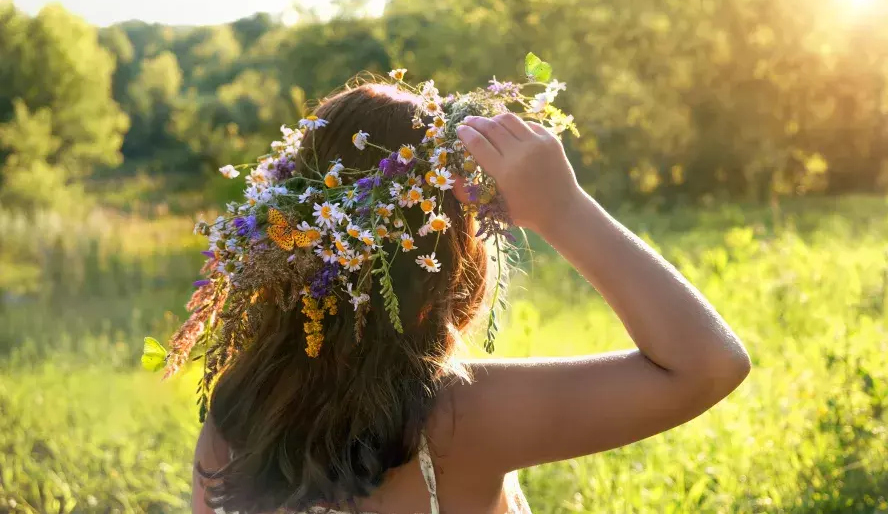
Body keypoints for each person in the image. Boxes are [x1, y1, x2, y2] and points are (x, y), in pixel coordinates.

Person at [192, 83, 751, 513]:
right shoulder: (461, 420)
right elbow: (710, 364)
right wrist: (563, 209)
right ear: (449, 251)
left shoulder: (233, 417)